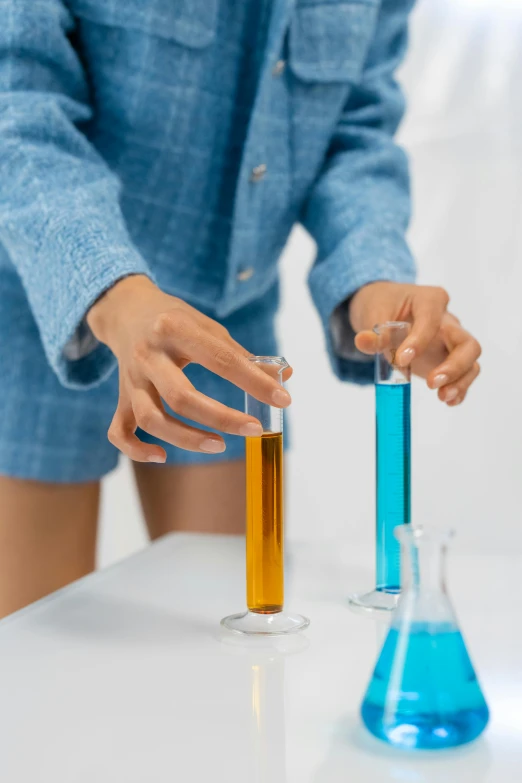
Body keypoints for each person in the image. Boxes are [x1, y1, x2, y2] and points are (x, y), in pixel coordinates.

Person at [0, 0, 480, 617]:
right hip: (42, 294)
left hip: (225, 323)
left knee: (234, 638)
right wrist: (109, 288)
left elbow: (356, 128)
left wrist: (372, 279)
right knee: (37, 650)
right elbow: (17, 104)